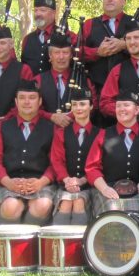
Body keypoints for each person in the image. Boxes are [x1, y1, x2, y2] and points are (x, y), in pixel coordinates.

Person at [0, 80, 56, 225]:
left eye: (32, 98)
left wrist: (41, 182)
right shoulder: (1, 128)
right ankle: (7, 245)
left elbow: (57, 162)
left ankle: (31, 245)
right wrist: (7, 182)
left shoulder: (52, 129)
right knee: (11, 207)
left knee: (42, 206)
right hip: (8, 181)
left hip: (41, 183)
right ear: (16, 102)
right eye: (22, 98)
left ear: (40, 101)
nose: (27, 102)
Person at [86, 91, 139, 215]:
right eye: (118, 106)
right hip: (109, 188)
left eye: (126, 105)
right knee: (112, 214)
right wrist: (104, 188)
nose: (121, 109)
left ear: (137, 109)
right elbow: (92, 168)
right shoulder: (103, 135)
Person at [80, 0, 139, 95]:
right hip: (96, 90)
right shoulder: (89, 24)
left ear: (123, 1)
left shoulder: (137, 23)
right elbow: (75, 51)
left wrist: (125, 45)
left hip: (131, 91)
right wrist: (97, 52)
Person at [50, 88, 100, 225]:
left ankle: (79, 244)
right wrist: (68, 181)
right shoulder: (61, 133)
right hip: (65, 184)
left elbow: (100, 163)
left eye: (82, 104)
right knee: (65, 202)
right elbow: (57, 160)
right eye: (75, 105)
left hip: (90, 184)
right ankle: (61, 243)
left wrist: (81, 181)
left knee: (78, 202)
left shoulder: (100, 134)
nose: (78, 108)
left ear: (91, 106)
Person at [36, 31, 98, 127]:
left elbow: (93, 104)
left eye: (65, 52)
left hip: (76, 133)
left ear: (71, 55)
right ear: (50, 56)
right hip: (46, 134)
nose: (61, 57)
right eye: (57, 52)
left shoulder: (83, 79)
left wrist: (71, 116)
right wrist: (51, 116)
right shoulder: (38, 80)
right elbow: (31, 108)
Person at [20, 0, 78, 76]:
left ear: (53, 13)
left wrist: (97, 52)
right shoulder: (27, 39)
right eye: (35, 10)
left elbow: (82, 55)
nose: (38, 14)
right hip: (30, 87)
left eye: (42, 10)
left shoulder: (68, 36)